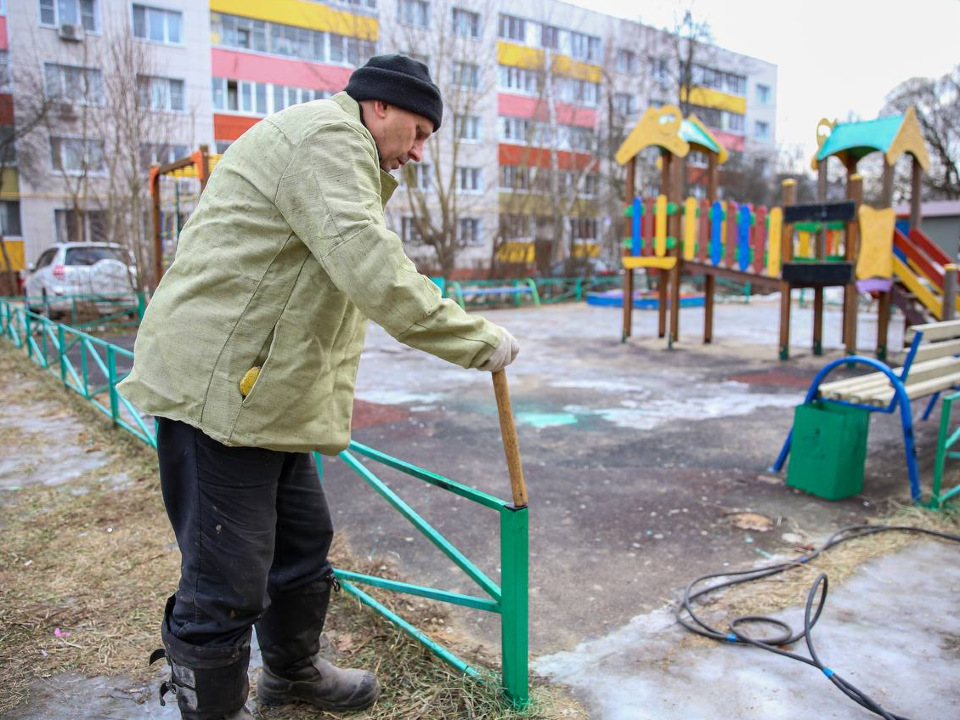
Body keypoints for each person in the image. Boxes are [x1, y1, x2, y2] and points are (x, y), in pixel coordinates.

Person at [119, 55, 519, 719]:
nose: (420, 153)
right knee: (225, 576)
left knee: (302, 543)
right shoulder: (326, 141)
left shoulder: (341, 150)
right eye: (418, 133)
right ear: (379, 107)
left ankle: (291, 674)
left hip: (266, 391)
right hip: (219, 391)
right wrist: (478, 341)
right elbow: (373, 268)